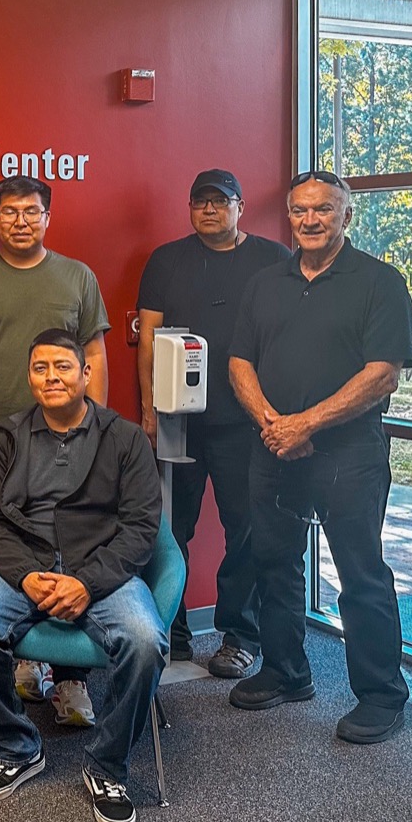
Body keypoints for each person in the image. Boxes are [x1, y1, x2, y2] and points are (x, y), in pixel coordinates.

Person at [228, 170, 412, 744]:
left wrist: (305, 424)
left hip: (349, 453)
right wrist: (274, 425)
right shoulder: (265, 283)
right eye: (300, 210)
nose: (310, 220)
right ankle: (286, 672)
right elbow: (239, 362)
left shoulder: (380, 281)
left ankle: (381, 695)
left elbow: (382, 374)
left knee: (360, 575)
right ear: (288, 216)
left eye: (324, 210)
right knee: (274, 563)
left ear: (346, 217)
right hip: (272, 447)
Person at [0, 329, 164, 822]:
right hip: (25, 565)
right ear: (30, 377)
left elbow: (141, 528)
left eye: (63, 366)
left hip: (100, 567)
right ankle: (17, 746)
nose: (52, 377)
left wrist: (86, 583)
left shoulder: (125, 438)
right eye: (40, 368)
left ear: (85, 373)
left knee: (145, 640)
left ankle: (107, 765)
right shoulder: (8, 436)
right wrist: (25, 575)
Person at [0, 176, 110, 725]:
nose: (20, 221)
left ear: (47, 217)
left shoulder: (77, 276)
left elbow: (95, 353)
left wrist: (97, 428)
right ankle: (25, 661)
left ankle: (73, 679)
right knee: (9, 549)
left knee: (73, 552)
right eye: (9, 212)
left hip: (68, 440)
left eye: (31, 211)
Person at [137, 169, 290, 676]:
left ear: (240, 207)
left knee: (244, 529)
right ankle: (171, 630)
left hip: (244, 423)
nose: (208, 209)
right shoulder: (166, 260)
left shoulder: (273, 258)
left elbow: (288, 334)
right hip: (176, 422)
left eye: (220, 201)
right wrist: (148, 410)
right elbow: (148, 339)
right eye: (199, 201)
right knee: (168, 529)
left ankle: (240, 636)